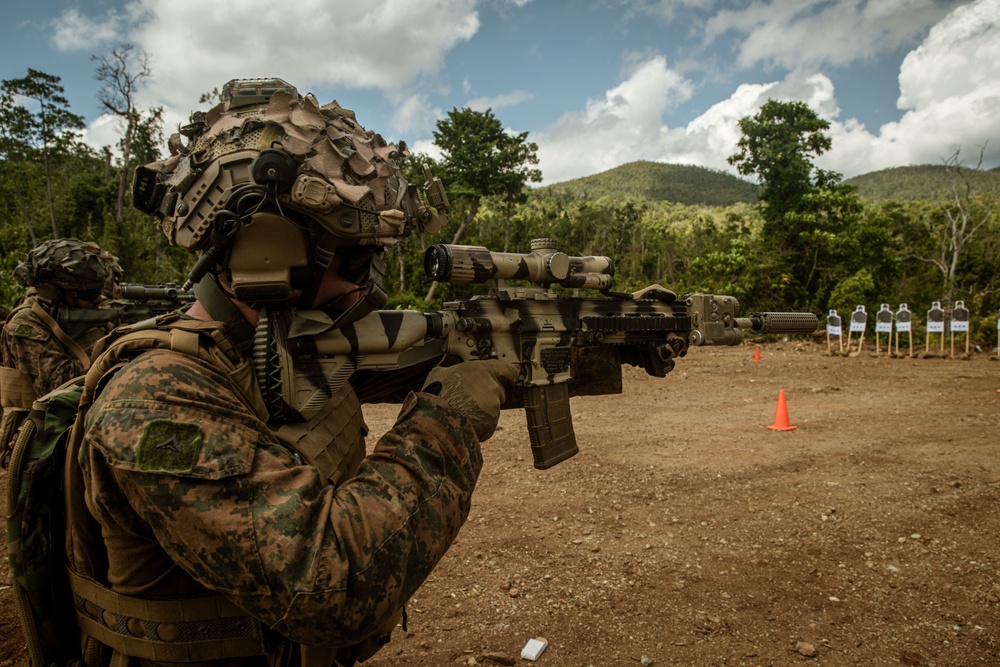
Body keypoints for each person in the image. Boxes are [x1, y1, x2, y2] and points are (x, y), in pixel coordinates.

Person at [65, 78, 518, 667]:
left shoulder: (272, 346)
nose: (365, 284)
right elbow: (333, 585)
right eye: (354, 259)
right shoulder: (155, 394)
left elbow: (446, 356)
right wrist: (448, 420)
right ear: (267, 249)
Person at [0, 238, 121, 461]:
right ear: (54, 291)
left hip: (81, 422)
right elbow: (61, 385)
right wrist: (112, 341)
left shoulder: (82, 311)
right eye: (89, 294)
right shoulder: (25, 326)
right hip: (38, 438)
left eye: (98, 290)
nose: (99, 298)